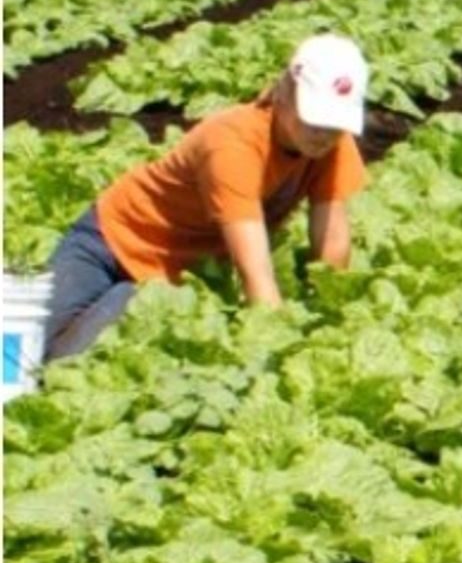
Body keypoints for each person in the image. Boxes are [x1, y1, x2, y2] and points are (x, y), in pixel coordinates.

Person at [42, 34, 370, 361]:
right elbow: (254, 271)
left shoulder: (332, 143)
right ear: (284, 92)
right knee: (21, 346)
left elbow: (333, 239)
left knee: (63, 365)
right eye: (313, 117)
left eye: (335, 122)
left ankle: (125, 297)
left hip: (167, 281)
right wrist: (278, 345)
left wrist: (328, 320)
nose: (322, 133)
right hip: (107, 243)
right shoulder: (233, 144)